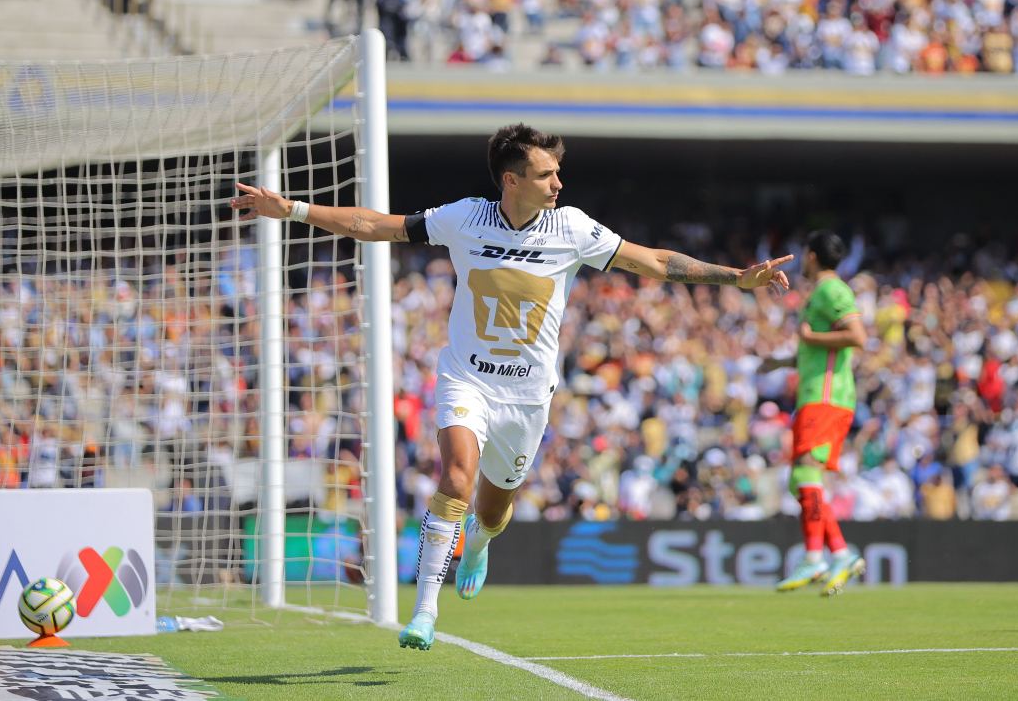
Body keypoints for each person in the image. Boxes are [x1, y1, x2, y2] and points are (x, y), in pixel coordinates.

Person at [231, 123, 792, 650]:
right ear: (512, 180)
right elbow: (376, 225)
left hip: (526, 397)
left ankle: (479, 543)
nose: (558, 183)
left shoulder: (572, 228)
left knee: (494, 511)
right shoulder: (464, 218)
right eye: (547, 174)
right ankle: (424, 610)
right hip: (466, 379)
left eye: (558, 173)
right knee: (456, 475)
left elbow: (654, 262)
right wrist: (293, 209)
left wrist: (735, 278)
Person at [760, 230, 867, 597]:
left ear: (811, 256)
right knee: (801, 481)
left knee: (805, 473)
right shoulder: (820, 293)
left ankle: (814, 557)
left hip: (826, 396)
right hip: (817, 395)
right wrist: (782, 362)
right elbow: (819, 350)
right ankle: (840, 554)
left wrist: (808, 338)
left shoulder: (831, 290)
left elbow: (857, 336)